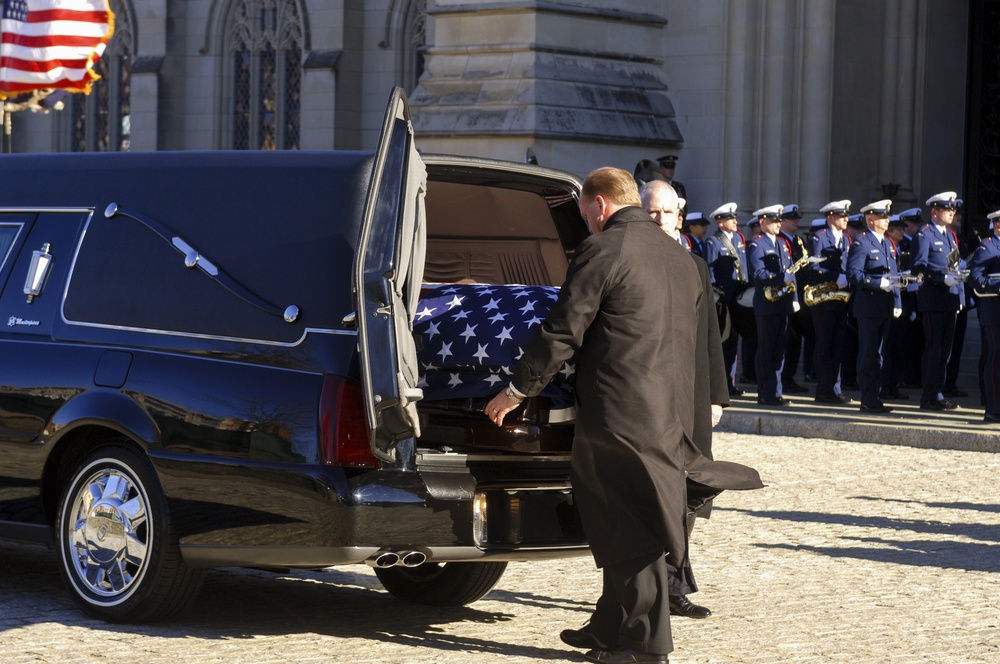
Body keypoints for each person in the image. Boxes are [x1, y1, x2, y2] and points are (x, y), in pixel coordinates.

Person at [485, 168, 761, 664]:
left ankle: (642, 646)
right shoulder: (678, 258)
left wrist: (516, 390)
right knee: (620, 520)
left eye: (585, 212)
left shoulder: (605, 248)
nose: (586, 222)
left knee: (628, 524)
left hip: (622, 415)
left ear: (600, 204)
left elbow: (564, 328)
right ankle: (610, 624)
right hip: (668, 411)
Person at [642, 180, 728, 620]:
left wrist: (716, 397)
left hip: (691, 399)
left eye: (667, 213)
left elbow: (711, 336)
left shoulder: (696, 265)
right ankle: (645, 590)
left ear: (680, 215)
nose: (660, 220)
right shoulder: (630, 259)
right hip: (647, 401)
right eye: (651, 212)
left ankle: (675, 586)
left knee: (689, 493)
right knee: (649, 495)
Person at [846, 200, 900, 414]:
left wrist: (897, 300)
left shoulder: (887, 243)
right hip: (868, 306)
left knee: (878, 355)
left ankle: (874, 397)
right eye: (883, 217)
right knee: (868, 354)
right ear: (871, 219)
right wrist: (879, 283)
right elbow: (854, 274)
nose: (887, 220)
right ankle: (867, 399)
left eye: (887, 217)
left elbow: (893, 273)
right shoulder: (862, 242)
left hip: (884, 305)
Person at [911, 191, 963, 411]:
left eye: (952, 210)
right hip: (933, 300)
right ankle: (928, 396)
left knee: (945, 351)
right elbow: (919, 268)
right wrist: (942, 278)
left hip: (949, 301)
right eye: (947, 210)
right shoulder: (924, 235)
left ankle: (938, 392)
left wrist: (959, 293)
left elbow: (956, 266)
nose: (952, 213)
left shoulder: (950, 236)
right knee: (934, 348)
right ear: (935, 212)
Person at [747, 204, 796, 405]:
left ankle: (776, 392)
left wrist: (794, 299)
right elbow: (757, 273)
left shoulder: (783, 244)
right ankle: (765, 394)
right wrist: (779, 278)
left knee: (779, 351)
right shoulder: (756, 244)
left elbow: (791, 274)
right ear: (762, 222)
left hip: (782, 303)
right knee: (766, 350)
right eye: (774, 221)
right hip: (766, 304)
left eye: (779, 221)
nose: (778, 224)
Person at [807, 200, 853, 404]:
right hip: (824, 298)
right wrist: (835, 277)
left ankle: (835, 388)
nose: (846, 219)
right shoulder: (820, 237)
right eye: (842, 216)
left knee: (837, 346)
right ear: (830, 217)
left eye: (846, 216)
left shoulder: (847, 240)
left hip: (840, 299)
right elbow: (814, 267)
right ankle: (823, 390)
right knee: (824, 345)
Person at [705, 202, 750, 397]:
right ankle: (719, 385)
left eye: (735, 218)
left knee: (733, 342)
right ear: (720, 222)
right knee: (722, 342)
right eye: (731, 218)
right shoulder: (713, 242)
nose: (735, 221)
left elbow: (743, 266)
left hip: (737, 297)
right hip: (723, 299)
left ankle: (730, 383)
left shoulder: (739, 238)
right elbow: (710, 272)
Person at [969, 209, 1000, 424]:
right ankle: (993, 408)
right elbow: (975, 279)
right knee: (995, 359)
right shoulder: (987, 246)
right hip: (994, 311)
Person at [777, 204, 811, 394]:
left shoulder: (798, 240)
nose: (796, 221)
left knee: (796, 338)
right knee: (787, 339)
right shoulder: (780, 240)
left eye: (797, 218)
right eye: (792, 219)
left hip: (801, 294)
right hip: (786, 294)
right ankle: (782, 378)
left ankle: (789, 376)